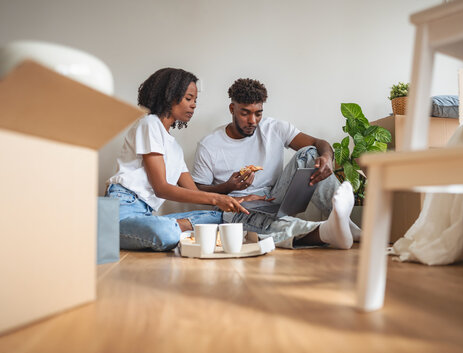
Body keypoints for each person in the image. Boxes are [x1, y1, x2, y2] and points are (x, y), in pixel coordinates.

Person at [191, 78, 361, 249]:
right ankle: (327, 231)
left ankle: (346, 224)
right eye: (245, 113)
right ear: (232, 109)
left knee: (309, 153)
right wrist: (228, 186)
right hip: (236, 205)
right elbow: (197, 191)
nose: (253, 121)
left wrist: (327, 158)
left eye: (258, 113)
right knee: (255, 222)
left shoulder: (275, 128)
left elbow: (319, 143)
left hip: (274, 196)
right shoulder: (209, 145)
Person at [105, 68, 247, 252]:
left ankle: (179, 227)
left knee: (224, 217)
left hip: (146, 214)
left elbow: (193, 192)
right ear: (169, 95)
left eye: (195, 100)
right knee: (165, 232)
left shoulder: (174, 148)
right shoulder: (149, 124)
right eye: (188, 98)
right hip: (123, 209)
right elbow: (161, 188)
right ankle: (176, 228)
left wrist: (233, 197)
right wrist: (216, 198)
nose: (194, 105)